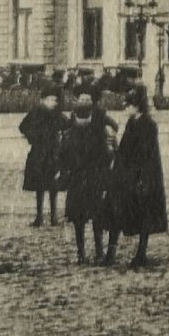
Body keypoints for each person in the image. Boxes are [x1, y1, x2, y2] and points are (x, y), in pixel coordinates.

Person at [104, 85, 166, 268]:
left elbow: (148, 155)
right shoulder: (132, 123)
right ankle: (110, 253)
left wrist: (143, 179)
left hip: (142, 177)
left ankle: (141, 253)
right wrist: (114, 148)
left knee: (143, 216)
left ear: (137, 105)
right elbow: (124, 150)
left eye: (128, 105)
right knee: (116, 213)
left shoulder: (148, 125)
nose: (125, 108)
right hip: (126, 176)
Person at [57, 93, 117, 265]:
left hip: (77, 181)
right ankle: (99, 251)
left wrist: (65, 173)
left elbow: (62, 157)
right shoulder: (98, 132)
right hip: (94, 180)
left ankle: (81, 253)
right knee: (96, 217)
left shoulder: (69, 133)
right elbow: (107, 156)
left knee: (78, 219)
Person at [19, 87, 67, 226]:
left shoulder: (57, 114)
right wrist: (33, 138)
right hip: (40, 153)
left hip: (53, 152)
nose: (53, 102)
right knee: (39, 186)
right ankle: (39, 216)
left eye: (55, 100)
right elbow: (23, 126)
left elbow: (66, 125)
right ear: (43, 100)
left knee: (53, 185)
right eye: (50, 100)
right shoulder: (35, 112)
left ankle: (53, 217)